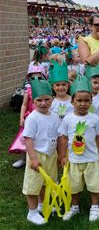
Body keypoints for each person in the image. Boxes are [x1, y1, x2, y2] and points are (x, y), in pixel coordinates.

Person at [58, 75, 99, 222]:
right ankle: (74, 206)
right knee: (74, 186)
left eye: (87, 100)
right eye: (79, 100)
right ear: (72, 102)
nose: (83, 104)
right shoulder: (68, 119)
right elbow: (64, 138)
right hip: (74, 159)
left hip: (91, 158)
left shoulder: (94, 118)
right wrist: (63, 156)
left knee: (94, 184)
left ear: (91, 102)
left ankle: (94, 206)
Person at [22, 77, 60, 225]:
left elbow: (57, 136)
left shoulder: (55, 116)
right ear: (33, 101)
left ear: (52, 99)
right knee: (33, 185)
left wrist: (59, 154)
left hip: (51, 154)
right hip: (37, 155)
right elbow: (28, 139)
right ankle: (31, 213)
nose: (43, 103)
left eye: (47, 99)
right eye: (39, 100)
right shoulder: (32, 118)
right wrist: (33, 158)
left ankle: (42, 205)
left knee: (46, 183)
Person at [9, 66, 44, 168]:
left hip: (42, 118)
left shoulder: (45, 89)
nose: (36, 80)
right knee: (25, 139)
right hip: (29, 117)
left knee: (39, 138)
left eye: (39, 78)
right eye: (33, 78)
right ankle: (23, 159)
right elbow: (24, 105)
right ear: (29, 79)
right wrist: (21, 118)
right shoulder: (28, 90)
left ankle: (39, 158)